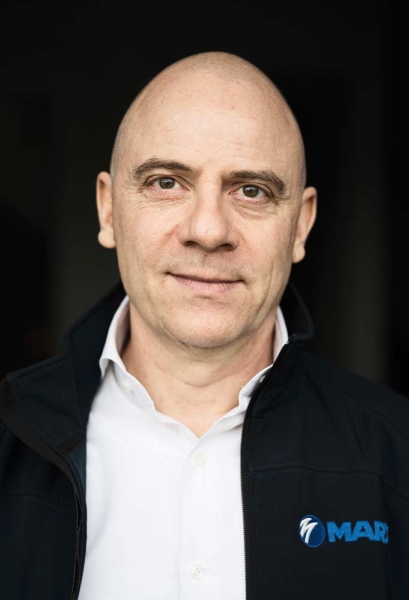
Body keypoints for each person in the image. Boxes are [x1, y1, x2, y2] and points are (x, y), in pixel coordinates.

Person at [0, 51, 407, 600]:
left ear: (300, 226)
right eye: (167, 182)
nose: (209, 230)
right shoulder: (9, 444)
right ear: (108, 209)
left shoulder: (397, 451)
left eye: (251, 190)